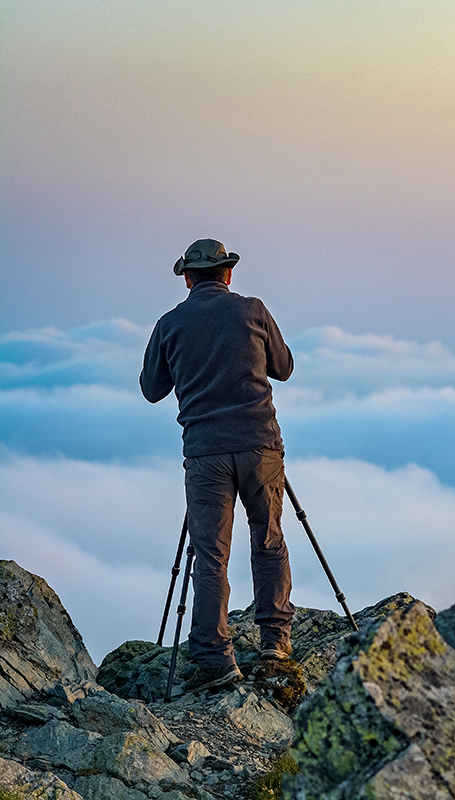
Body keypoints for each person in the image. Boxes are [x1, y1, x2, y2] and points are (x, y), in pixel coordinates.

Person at [141, 238, 295, 692]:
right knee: (268, 540)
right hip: (259, 445)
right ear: (228, 274)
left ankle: (213, 657)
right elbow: (283, 368)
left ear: (187, 278)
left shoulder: (170, 324)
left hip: (206, 452)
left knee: (209, 555)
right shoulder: (253, 310)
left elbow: (152, 388)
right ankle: (275, 643)